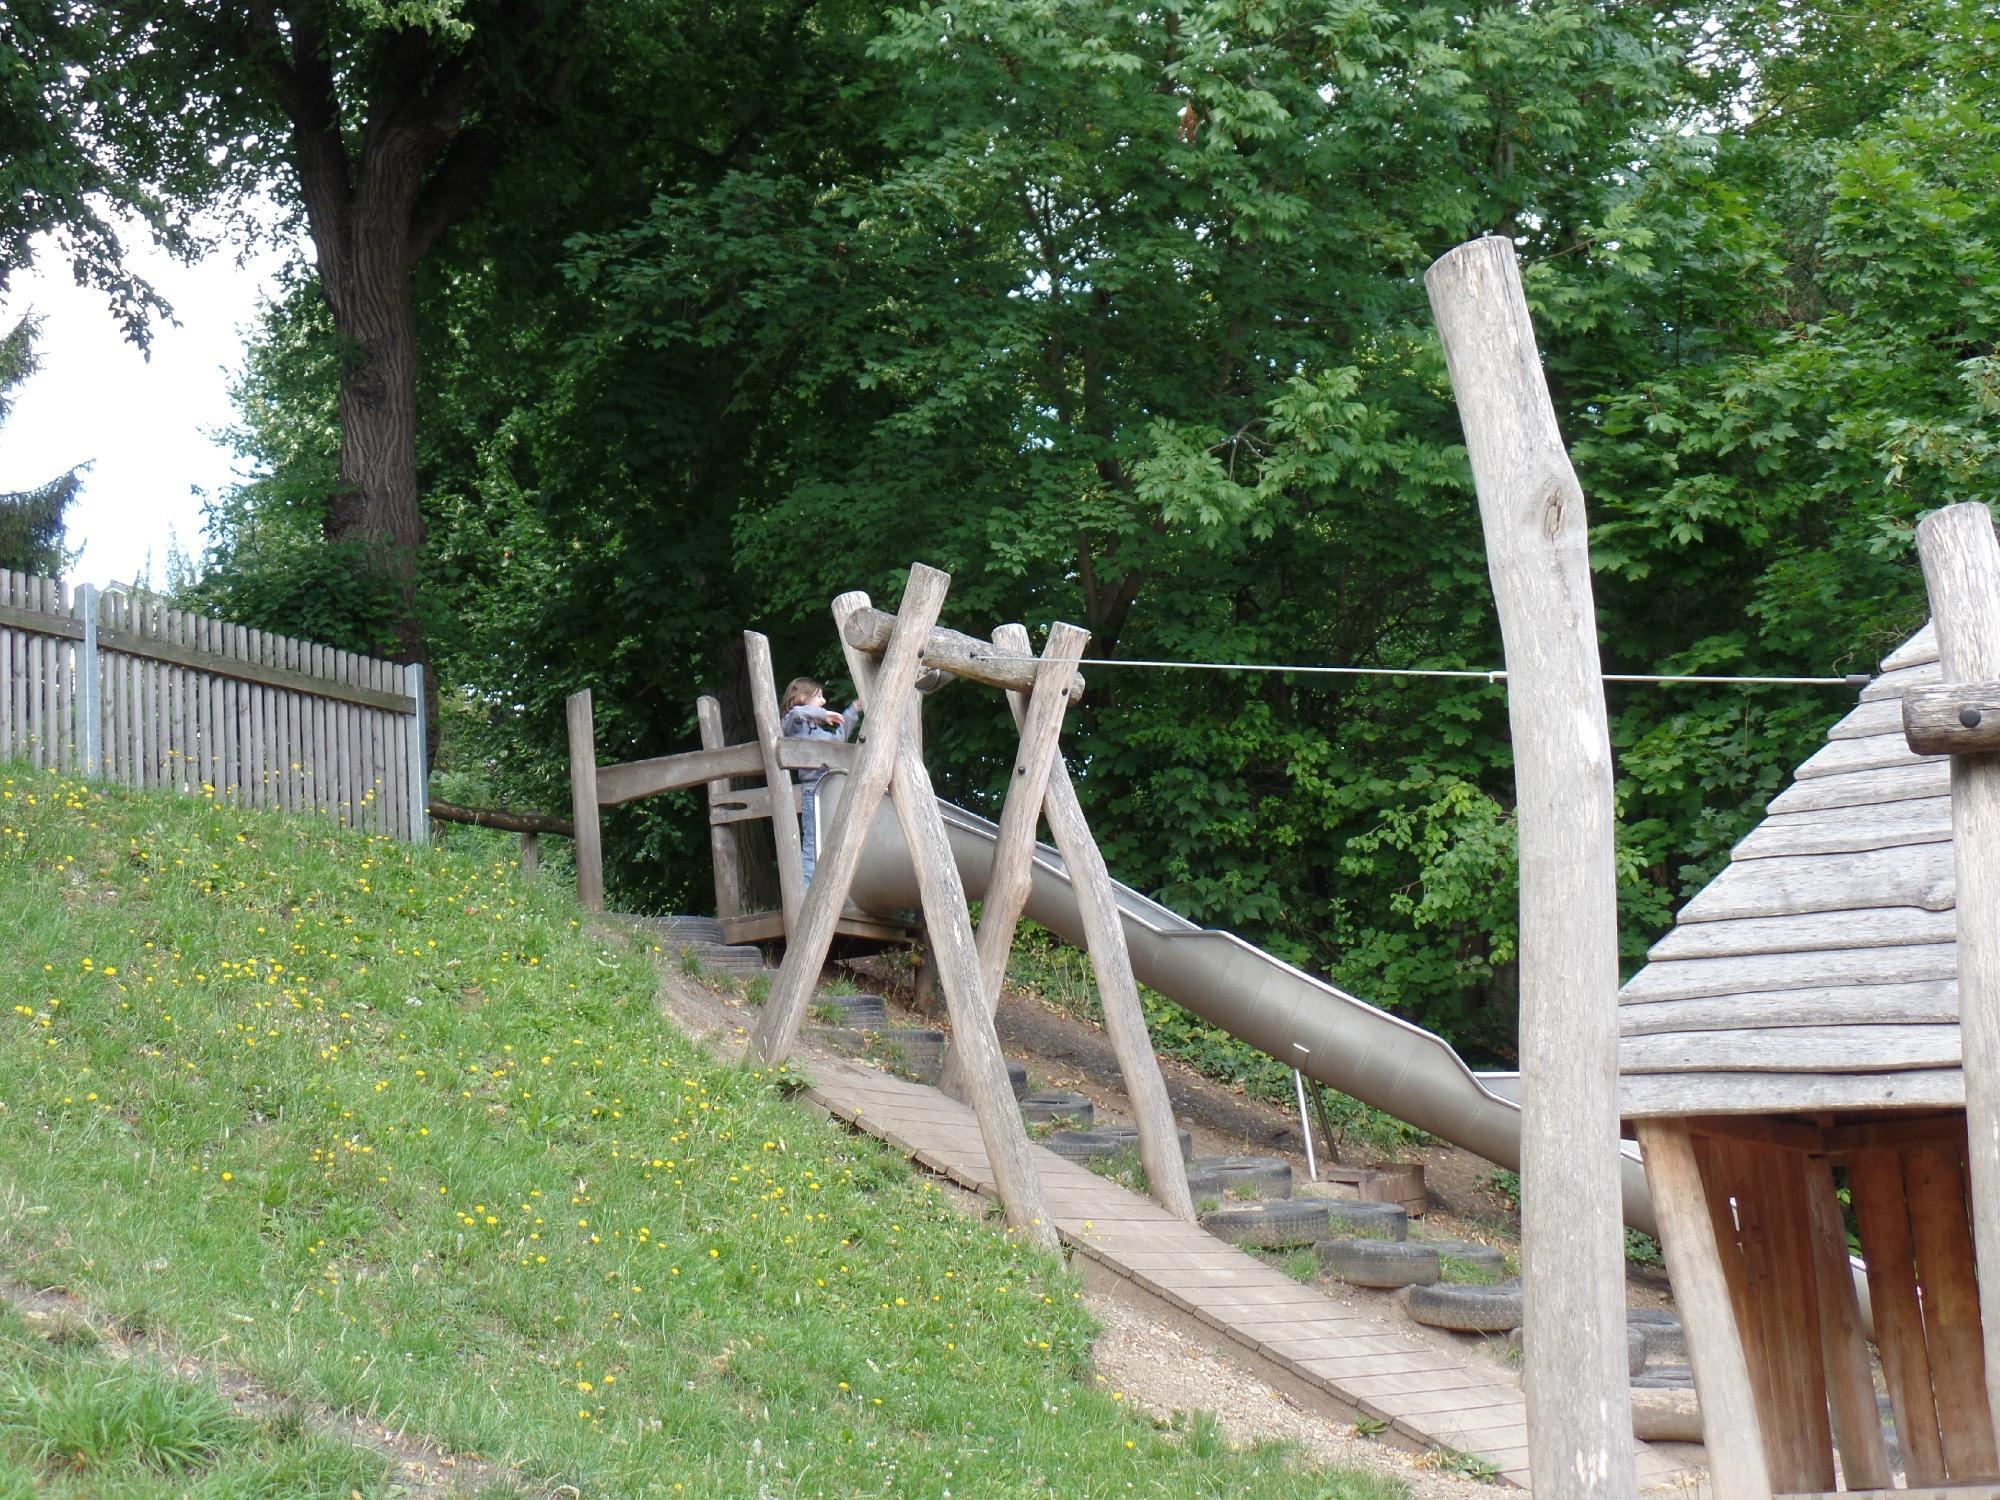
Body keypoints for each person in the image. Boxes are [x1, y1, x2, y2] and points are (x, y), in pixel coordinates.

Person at [779, 676, 858, 886]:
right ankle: (806, 893)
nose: (823, 701)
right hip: (813, 790)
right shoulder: (794, 724)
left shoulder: (818, 731)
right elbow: (797, 712)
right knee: (813, 844)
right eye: (819, 697)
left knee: (832, 841)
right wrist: (825, 714)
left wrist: (852, 711)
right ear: (803, 698)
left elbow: (837, 741)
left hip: (831, 790)